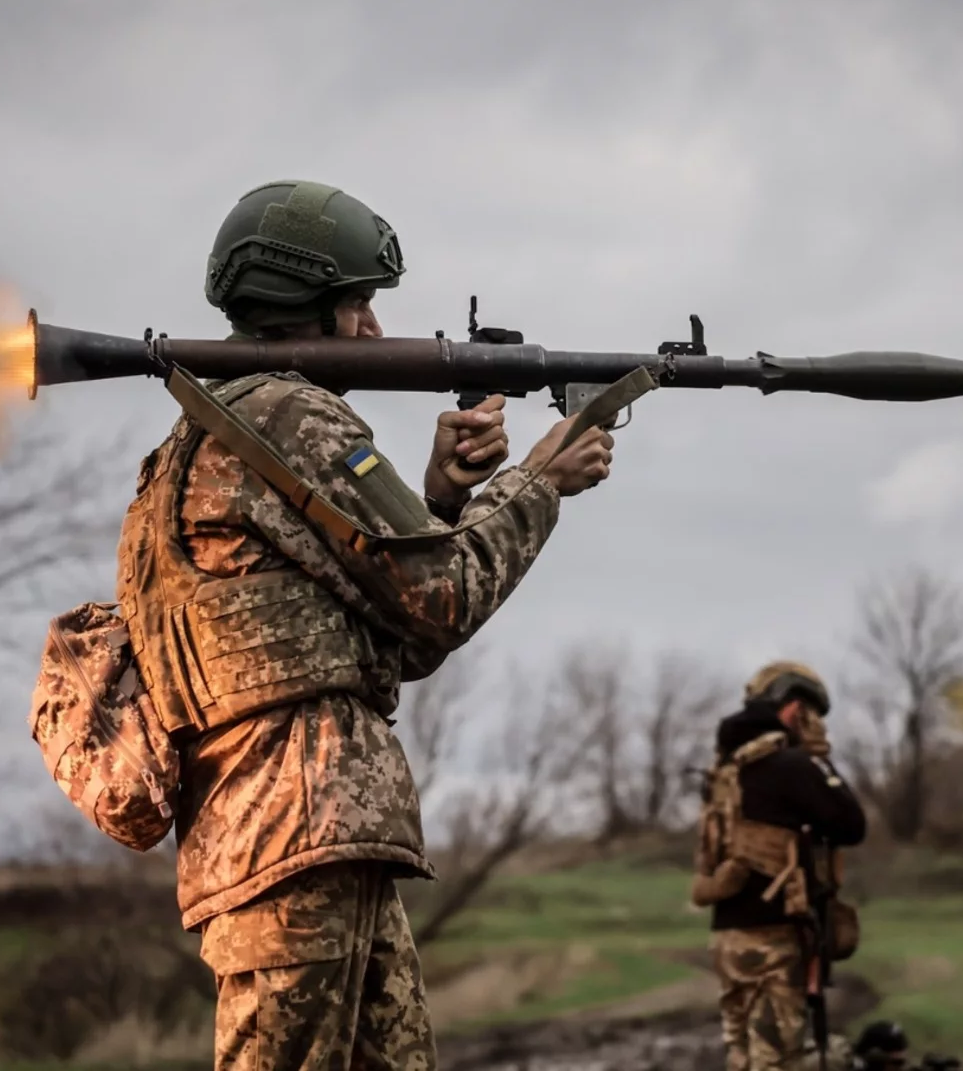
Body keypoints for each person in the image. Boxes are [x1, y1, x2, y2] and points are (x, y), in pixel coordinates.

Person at [117, 179, 618, 1069]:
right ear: (304, 306)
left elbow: (395, 632)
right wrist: (543, 479)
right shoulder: (291, 417)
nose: (379, 333)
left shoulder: (200, 438)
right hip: (296, 831)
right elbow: (447, 596)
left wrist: (441, 498)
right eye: (359, 307)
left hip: (297, 836)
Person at [692, 661, 869, 1070]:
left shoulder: (726, 770)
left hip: (728, 938)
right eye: (812, 716)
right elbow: (851, 824)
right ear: (793, 710)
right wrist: (820, 759)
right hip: (774, 939)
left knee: (743, 1057)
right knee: (778, 1060)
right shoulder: (792, 766)